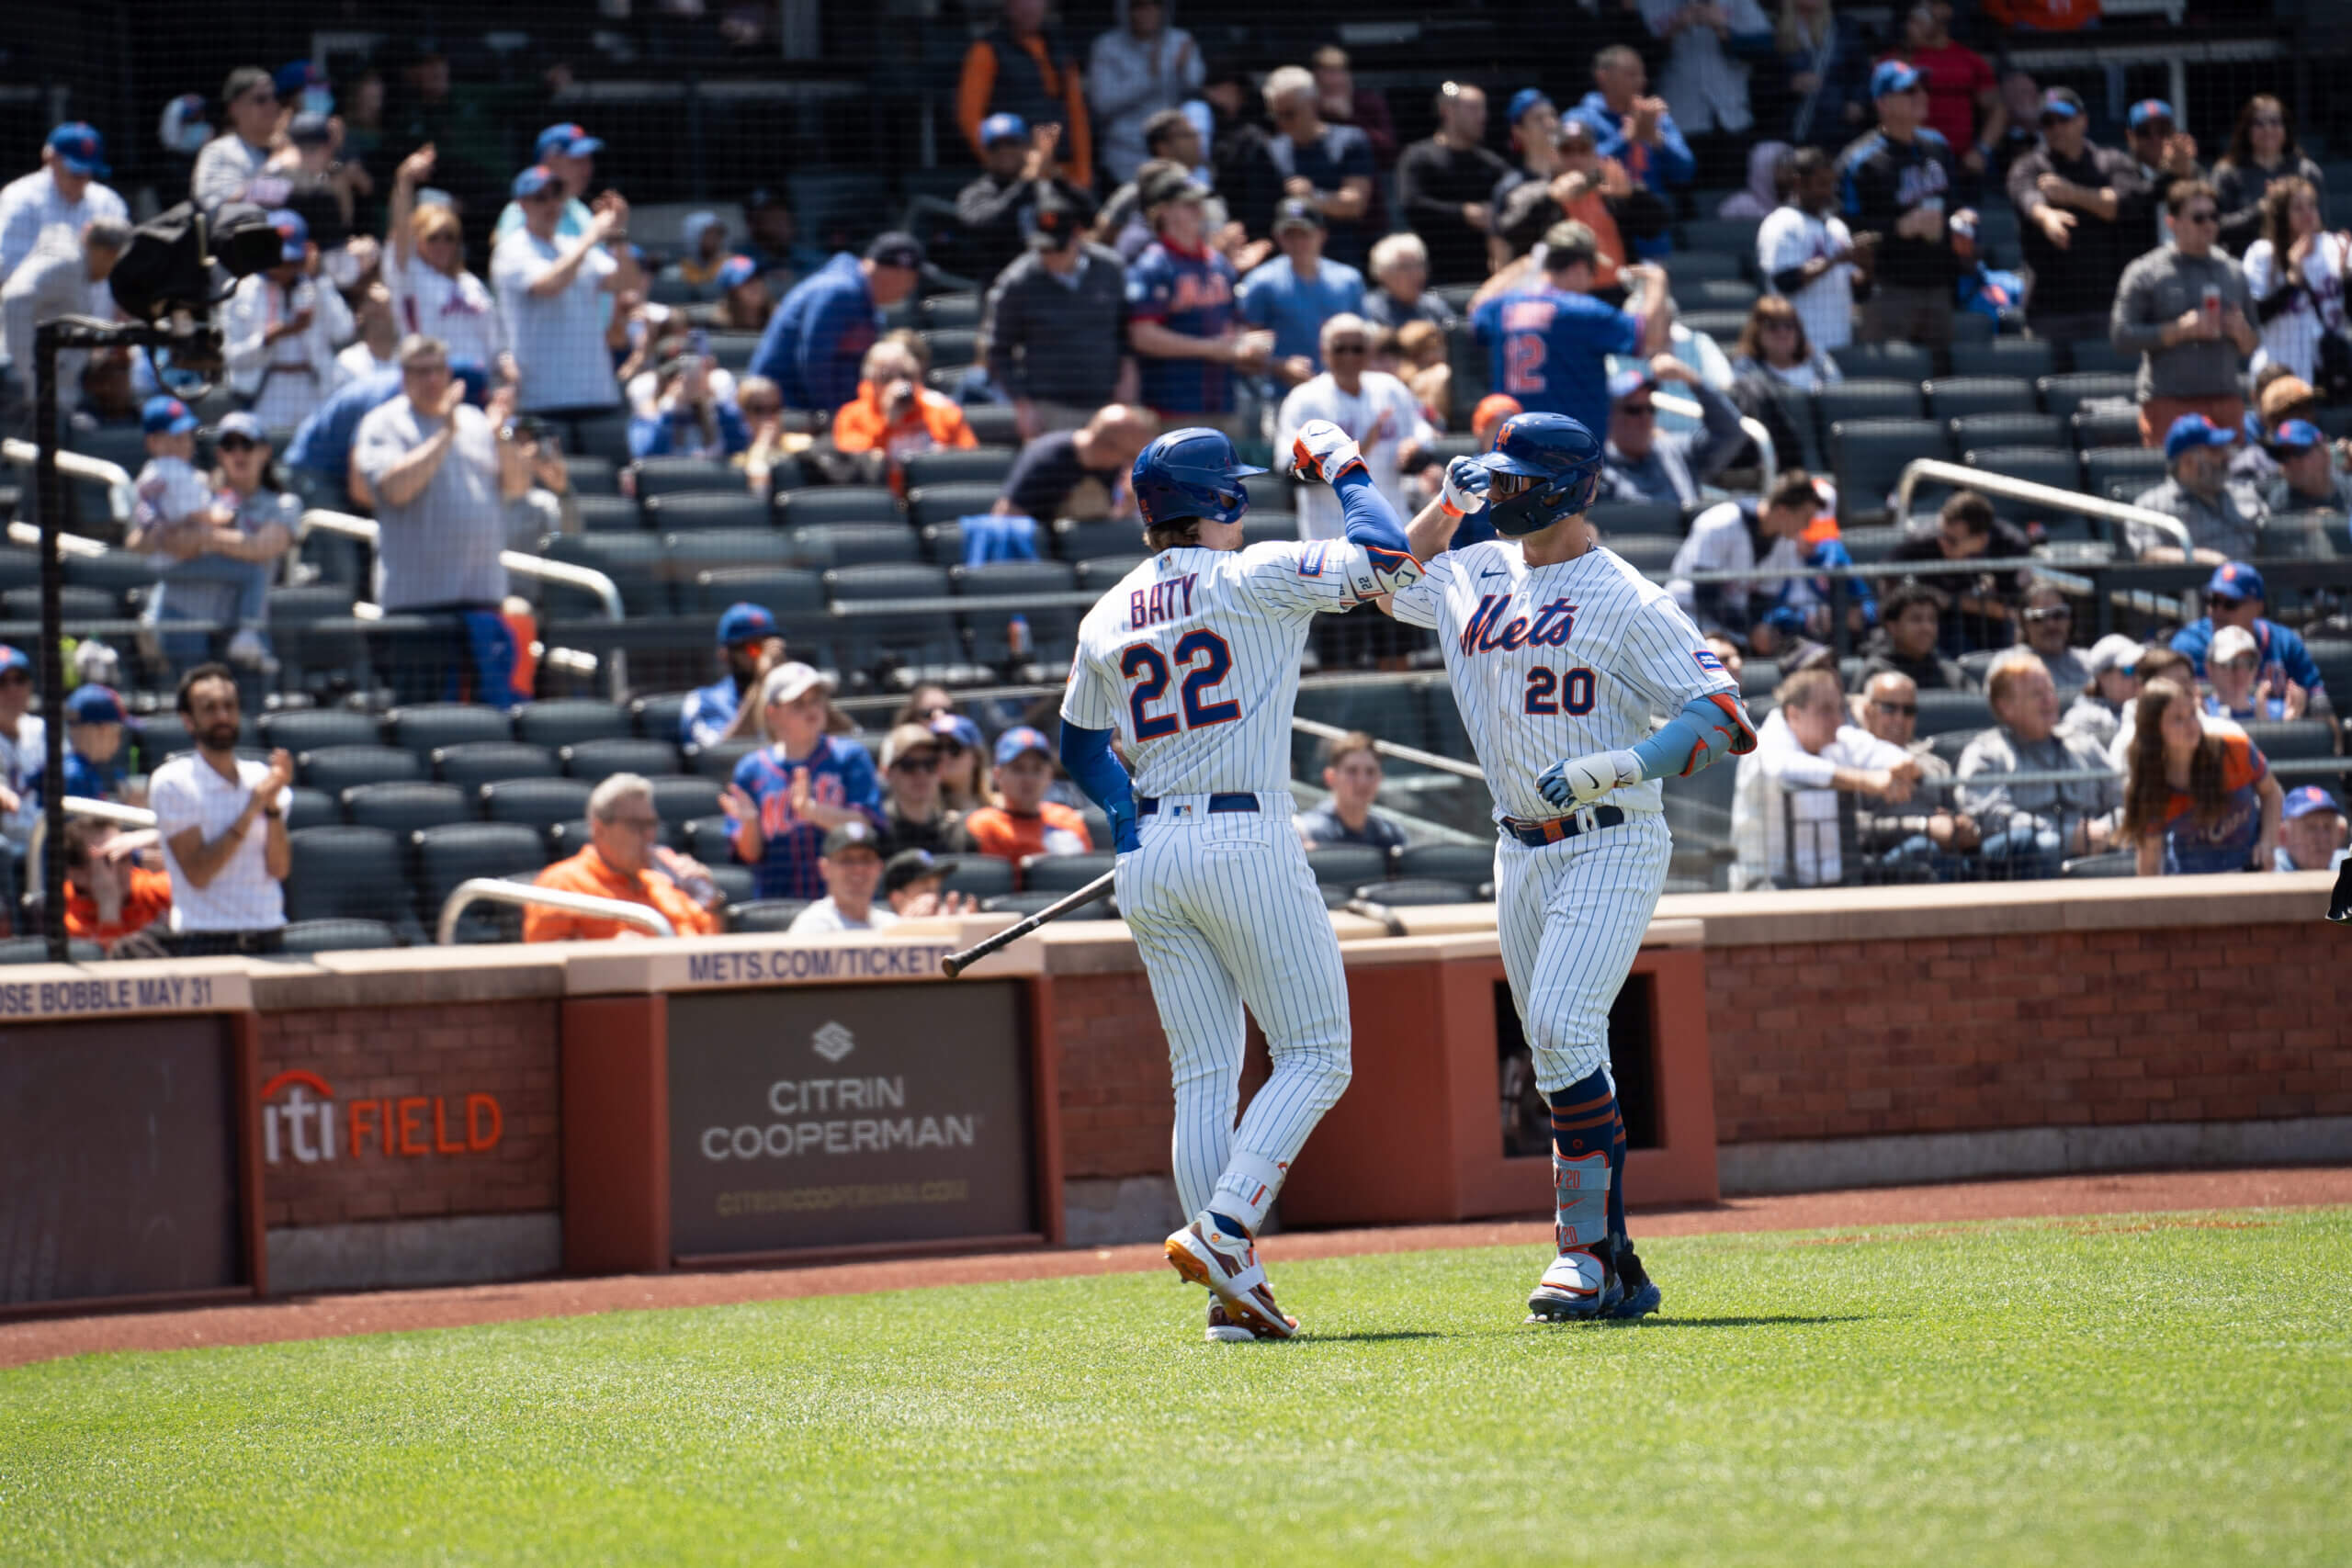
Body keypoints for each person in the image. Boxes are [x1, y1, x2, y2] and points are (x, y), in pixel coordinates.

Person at [1379, 409, 1751, 1321]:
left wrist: (1619, 763)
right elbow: (1379, 584)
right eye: (1494, 477)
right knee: (1559, 1052)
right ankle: (1617, 1260)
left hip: (1612, 833)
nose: (1499, 491)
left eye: (1514, 479)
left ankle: (1578, 1255)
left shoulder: (1626, 595)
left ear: (1570, 486)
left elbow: (1723, 716)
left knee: (1555, 1023)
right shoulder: (1469, 568)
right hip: (1518, 847)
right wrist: (1439, 507)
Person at [1056, 420, 1419, 1340]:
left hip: (1151, 852)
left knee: (1203, 1075)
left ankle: (1233, 1297)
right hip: (1244, 835)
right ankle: (1225, 1228)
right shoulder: (1251, 573)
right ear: (1221, 500)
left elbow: (1079, 746)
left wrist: (1123, 816)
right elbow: (1384, 552)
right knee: (1317, 1053)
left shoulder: (1105, 612)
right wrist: (1344, 467)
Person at [352, 335, 534, 706]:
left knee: (489, 719)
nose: (431, 379)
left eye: (437, 370)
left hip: (483, 601)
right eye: (420, 371)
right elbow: (394, 490)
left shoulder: (476, 422)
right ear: (404, 377)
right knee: (426, 719)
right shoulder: (383, 423)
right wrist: (444, 433)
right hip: (418, 608)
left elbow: (517, 485)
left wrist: (501, 433)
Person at [1470, 221, 1668, 437]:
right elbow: (1650, 339)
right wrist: (1658, 281)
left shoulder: (1503, 307)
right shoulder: (1582, 312)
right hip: (1570, 450)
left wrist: (1526, 263)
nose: (1592, 281)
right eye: (1592, 271)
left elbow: (1476, 307)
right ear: (1579, 267)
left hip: (1513, 447)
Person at [1730, 664, 1921, 888]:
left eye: (1840, 709)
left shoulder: (1835, 739)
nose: (1838, 719)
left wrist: (1902, 768)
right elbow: (1783, 767)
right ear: (1794, 714)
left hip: (1833, 885)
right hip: (1766, 887)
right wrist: (1865, 781)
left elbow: (1892, 756)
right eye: (1826, 710)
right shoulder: (1765, 742)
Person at [148, 663, 293, 954]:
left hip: (269, 935)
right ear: (188, 720)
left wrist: (272, 807)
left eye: (229, 706)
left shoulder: (262, 777)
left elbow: (279, 869)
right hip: (205, 941)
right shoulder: (173, 783)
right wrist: (252, 808)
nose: (223, 716)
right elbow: (199, 873)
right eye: (210, 708)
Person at [2112, 182, 2259, 447]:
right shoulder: (2146, 271)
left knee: (2232, 482)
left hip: (2225, 401)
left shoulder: (2234, 272)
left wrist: (2241, 332)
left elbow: (2253, 343)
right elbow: (2121, 336)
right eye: (2198, 217)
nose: (2208, 224)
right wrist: (2178, 331)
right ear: (2173, 222)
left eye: (2214, 217)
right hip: (2169, 402)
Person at [720, 661, 882, 901]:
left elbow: (864, 826)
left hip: (843, 902)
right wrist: (750, 823)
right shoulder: (751, 769)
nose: (811, 709)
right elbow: (750, 855)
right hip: (778, 900)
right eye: (798, 704)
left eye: (816, 699)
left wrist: (812, 811)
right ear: (772, 714)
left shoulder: (849, 757)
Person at [983, 185, 1132, 439]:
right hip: (1050, 410)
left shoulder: (1110, 269)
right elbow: (997, 350)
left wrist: (1129, 381)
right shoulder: (1018, 281)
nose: (1050, 256)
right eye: (1044, 249)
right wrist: (1023, 404)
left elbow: (1127, 333)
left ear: (1078, 236)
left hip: (1108, 405)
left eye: (1058, 248)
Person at [1956, 649, 2120, 878]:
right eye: (2036, 694)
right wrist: (2067, 837)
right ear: (2005, 706)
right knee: (2035, 843)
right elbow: (1991, 816)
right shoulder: (1986, 753)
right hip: (2024, 858)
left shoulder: (2084, 744)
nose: (2049, 701)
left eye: (2050, 691)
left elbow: (2122, 798)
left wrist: (2104, 832)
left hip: (2096, 840)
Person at [1670, 469, 1871, 652]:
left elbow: (1764, 599)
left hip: (1730, 631)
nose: (1808, 525)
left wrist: (1761, 628)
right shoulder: (1720, 523)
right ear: (1783, 512)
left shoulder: (1784, 543)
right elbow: (1705, 595)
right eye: (1806, 517)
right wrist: (1751, 629)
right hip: (1684, 622)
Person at [1273, 313, 1433, 541]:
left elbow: (1422, 439)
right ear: (1324, 352)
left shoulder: (1390, 389)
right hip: (1330, 534)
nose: (1349, 356)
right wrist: (1349, 456)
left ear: (1369, 351)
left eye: (1357, 349)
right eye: (1340, 349)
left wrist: (1414, 450)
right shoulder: (1304, 399)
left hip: (1394, 525)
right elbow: (1290, 470)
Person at [1125, 176, 1264, 435]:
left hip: (1222, 402)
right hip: (1173, 408)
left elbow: (1234, 324)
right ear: (1163, 210)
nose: (1198, 212)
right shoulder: (1153, 265)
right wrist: (1210, 349)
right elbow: (1142, 336)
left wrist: (1248, 346)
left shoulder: (1218, 264)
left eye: (1199, 204)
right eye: (1188, 205)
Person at [2006, 87, 2143, 347]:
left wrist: (2072, 195)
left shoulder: (2111, 162)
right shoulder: (2029, 166)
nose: (2056, 128)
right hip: (2049, 312)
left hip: (2107, 304)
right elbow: (2026, 198)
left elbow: (2123, 204)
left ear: (2083, 120)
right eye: (2048, 122)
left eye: (2063, 119)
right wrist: (2047, 217)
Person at [1843, 61, 1967, 348]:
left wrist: (1963, 219)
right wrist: (1897, 227)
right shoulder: (1860, 161)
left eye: (1922, 88)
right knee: (1891, 384)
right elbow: (1846, 231)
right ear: (1883, 104)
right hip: (1889, 291)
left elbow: (1955, 202)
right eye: (1909, 91)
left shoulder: (1937, 145)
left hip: (1938, 287)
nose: (1921, 95)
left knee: (1941, 376)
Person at [490, 166, 627, 420]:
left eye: (556, 195)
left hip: (595, 392)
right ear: (521, 204)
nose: (551, 204)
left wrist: (618, 234)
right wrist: (591, 236)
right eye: (540, 197)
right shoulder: (512, 250)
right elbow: (550, 286)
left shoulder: (573, 245)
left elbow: (624, 282)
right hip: (543, 398)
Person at [524, 773, 722, 942]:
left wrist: (710, 901)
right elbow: (543, 963)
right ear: (599, 829)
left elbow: (708, 953)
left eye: (651, 823)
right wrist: (609, 956)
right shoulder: (563, 884)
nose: (648, 835)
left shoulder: (662, 883)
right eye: (636, 825)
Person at [749, 231, 924, 416]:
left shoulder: (861, 295)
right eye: (912, 280)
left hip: (810, 407)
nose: (910, 289)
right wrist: (835, 416)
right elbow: (814, 361)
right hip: (781, 409)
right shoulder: (839, 291)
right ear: (899, 274)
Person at [2121, 678, 2280, 875]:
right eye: (2178, 718)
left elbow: (2273, 794)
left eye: (2192, 714)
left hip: (2250, 874)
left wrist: (2267, 843)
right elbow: (2149, 864)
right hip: (2191, 890)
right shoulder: (2152, 789)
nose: (2191, 724)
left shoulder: (2235, 749)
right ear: (2154, 730)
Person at [385, 145, 511, 383]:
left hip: (476, 384)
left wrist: (508, 369)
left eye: (449, 236)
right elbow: (400, 228)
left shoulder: (471, 284)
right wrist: (404, 180)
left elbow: (496, 344)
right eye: (433, 237)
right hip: (428, 381)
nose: (442, 244)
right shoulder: (409, 273)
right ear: (417, 240)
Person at [221, 209, 355, 433]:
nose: (285, 267)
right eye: (279, 259)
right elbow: (231, 357)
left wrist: (317, 280)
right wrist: (269, 337)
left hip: (313, 388)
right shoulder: (241, 290)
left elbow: (344, 331)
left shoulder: (315, 285)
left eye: (292, 260)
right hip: (266, 390)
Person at [1567, 46, 1696, 258]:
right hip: (1600, 234)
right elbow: (1575, 168)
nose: (1641, 81)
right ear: (1603, 76)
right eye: (1631, 74)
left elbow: (1686, 171)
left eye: (1642, 74)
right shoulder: (1580, 119)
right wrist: (1626, 138)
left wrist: (1656, 139)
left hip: (1652, 232)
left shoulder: (1655, 118)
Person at [956, 0, 1092, 189]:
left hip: (1063, 173)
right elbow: (969, 117)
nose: (1029, 7)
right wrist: (999, 165)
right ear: (1007, 7)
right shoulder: (987, 49)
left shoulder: (1060, 49)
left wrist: (1083, 174)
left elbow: (1077, 116)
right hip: (1014, 177)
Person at [1, 217, 127, 418]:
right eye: (116, 262)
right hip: (24, 392)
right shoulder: (67, 261)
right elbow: (15, 297)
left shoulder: (76, 265)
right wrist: (33, 373)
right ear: (107, 253)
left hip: (42, 394)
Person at [1854, 669, 1981, 868]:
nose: (1899, 718)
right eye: (1889, 708)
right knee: (1921, 848)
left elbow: (1955, 811)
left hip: (1943, 853)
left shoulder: (1935, 763)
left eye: (1908, 711)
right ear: (1868, 711)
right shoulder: (1851, 761)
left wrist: (1962, 826)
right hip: (1881, 863)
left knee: (2020, 842)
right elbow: (1853, 827)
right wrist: (1922, 827)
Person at [1640, 0, 1774, 186]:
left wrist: (1723, 30)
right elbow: (1638, 59)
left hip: (1732, 116)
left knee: (1730, 194)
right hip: (1678, 120)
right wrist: (1673, 29)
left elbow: (1767, 48)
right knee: (1688, 195)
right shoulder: (1653, 4)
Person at [2166, 561, 2325, 716]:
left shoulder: (2285, 643)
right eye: (2213, 601)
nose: (2218, 611)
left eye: (2230, 603)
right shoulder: (2188, 644)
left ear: (2258, 607)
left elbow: (2319, 701)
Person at [1261, 66, 1378, 271]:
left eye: (1289, 114)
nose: (1282, 123)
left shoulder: (1350, 141)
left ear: (1313, 104)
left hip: (1340, 262)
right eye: (1275, 115)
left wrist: (1313, 197)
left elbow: (1355, 204)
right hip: (1290, 271)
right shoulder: (1271, 150)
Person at [1239, 199, 1365, 390]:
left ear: (1322, 235)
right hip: (1281, 394)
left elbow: (1363, 339)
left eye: (1304, 234)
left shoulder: (1348, 280)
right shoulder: (1260, 282)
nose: (1297, 242)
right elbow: (1246, 350)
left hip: (1340, 394)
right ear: (1278, 237)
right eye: (1290, 235)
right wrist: (1278, 365)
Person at [1887, 489, 2034, 651]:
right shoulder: (1925, 540)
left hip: (1992, 627)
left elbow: (2012, 611)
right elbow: (1887, 573)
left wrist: (1955, 601)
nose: (1942, 543)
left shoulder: (2010, 545)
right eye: (1941, 534)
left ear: (1980, 539)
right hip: (1942, 625)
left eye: (1951, 540)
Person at [1396, 81, 1510, 287]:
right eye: (1473, 109)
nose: (1482, 117)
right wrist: (1463, 213)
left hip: (1485, 278)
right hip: (1433, 278)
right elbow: (1412, 204)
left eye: (1484, 109)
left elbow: (1514, 200)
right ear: (1447, 110)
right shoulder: (1419, 156)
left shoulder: (1491, 163)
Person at [829, 339, 975, 493]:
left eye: (905, 375)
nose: (898, 384)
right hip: (882, 503)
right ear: (871, 381)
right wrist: (888, 422)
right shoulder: (851, 417)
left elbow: (970, 460)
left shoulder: (942, 412)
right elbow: (858, 465)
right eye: (886, 378)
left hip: (934, 496)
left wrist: (943, 458)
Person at [1758, 145, 1866, 353]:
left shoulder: (1837, 227)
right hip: (1796, 347)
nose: (1829, 192)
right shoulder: (1780, 223)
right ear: (1798, 183)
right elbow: (1785, 281)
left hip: (1840, 342)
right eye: (1822, 184)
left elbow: (1859, 291)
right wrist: (1836, 259)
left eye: (1832, 184)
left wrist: (1865, 265)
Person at [956, 116, 1087, 288]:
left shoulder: (1047, 185)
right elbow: (986, 225)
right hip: (1004, 292)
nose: (1005, 151)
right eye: (995, 146)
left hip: (1056, 287)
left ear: (1026, 147)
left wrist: (1055, 175)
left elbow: (1090, 215)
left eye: (1012, 143)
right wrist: (1027, 181)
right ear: (985, 152)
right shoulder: (975, 193)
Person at [1887, 1, 2004, 191]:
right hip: (1910, 164)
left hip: (1962, 166)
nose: (1922, 12)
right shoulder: (1897, 60)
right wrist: (1908, 47)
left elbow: (1997, 109)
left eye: (1931, 6)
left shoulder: (1969, 60)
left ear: (1946, 12)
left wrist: (1981, 151)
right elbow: (1883, 99)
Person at [1596, 359, 1746, 508]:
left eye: (1650, 409)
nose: (1645, 418)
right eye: (1634, 410)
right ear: (1609, 417)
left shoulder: (1676, 450)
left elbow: (1731, 433)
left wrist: (1694, 381)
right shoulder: (1599, 470)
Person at [2241, 179, 2346, 388]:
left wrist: (2347, 277)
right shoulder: (2263, 254)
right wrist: (2292, 280)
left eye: (2311, 205)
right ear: (2281, 215)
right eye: (2298, 207)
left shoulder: (2338, 247)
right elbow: (2255, 315)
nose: (2308, 212)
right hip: (2280, 371)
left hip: (2330, 370)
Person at [1087, 0, 1203, 186]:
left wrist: (1183, 69)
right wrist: (1151, 78)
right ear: (1125, 11)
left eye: (1153, 6)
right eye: (1139, 7)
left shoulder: (1180, 40)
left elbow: (1196, 85)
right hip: (1123, 153)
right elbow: (1102, 103)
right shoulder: (1106, 46)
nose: (1146, 14)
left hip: (1171, 151)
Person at [0, 123, 127, 291]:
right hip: (38, 314)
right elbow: (6, 270)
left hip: (98, 316)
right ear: (50, 158)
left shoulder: (109, 202)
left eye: (88, 172)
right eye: (75, 172)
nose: (83, 179)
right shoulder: (21, 198)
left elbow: (125, 266)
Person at [2127, 414, 2267, 564]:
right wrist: (2201, 559)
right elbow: (2147, 554)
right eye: (2215, 450)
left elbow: (2272, 533)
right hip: (2194, 585)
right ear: (2188, 461)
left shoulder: (2244, 493)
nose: (2227, 456)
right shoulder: (2151, 505)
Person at [996, 403, 1156, 524]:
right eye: (1129, 454)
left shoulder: (1111, 467)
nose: (1130, 463)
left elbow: (1106, 526)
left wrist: (1127, 506)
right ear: (1107, 448)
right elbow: (1007, 517)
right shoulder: (1048, 459)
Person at [2213, 96, 2326, 260]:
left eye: (2275, 122)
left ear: (2286, 127)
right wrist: (2259, 210)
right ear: (2246, 129)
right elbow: (2215, 226)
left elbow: (2320, 226)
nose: (2268, 129)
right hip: (2243, 266)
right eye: (2259, 123)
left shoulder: (2307, 172)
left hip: (2302, 263)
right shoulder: (2226, 173)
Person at [961, 726, 1092, 863]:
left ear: (1049, 775)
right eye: (1018, 768)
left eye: (1037, 769)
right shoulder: (983, 826)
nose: (1029, 778)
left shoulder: (1068, 819)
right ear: (998, 775)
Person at [59, 816, 174, 955]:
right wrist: (108, 904)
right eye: (110, 858)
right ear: (76, 874)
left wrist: (158, 837)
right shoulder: (65, 913)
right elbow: (110, 970)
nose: (126, 868)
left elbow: (203, 889)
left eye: (125, 855)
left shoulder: (146, 887)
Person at [1771, 0, 1871, 150]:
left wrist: (1856, 100)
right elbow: (1763, 81)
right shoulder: (1776, 30)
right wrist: (1790, 83)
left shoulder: (1843, 27)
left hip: (1837, 126)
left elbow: (1862, 71)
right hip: (1795, 127)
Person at [682, 602, 783, 749]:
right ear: (725, 654)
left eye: (770, 644)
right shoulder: (704, 701)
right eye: (754, 648)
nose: (766, 654)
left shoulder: (793, 696)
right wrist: (762, 680)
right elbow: (720, 755)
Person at [1294, 730, 1408, 853]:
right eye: (1352, 771)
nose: (1362, 781)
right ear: (1330, 777)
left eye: (1370, 771)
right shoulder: (1306, 833)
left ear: (1380, 778)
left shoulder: (1391, 835)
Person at [493, 124, 606, 243]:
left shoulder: (579, 211)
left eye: (589, 160)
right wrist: (591, 237)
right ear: (550, 162)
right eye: (578, 161)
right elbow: (512, 259)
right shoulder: (523, 210)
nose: (588, 169)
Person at [629, 351, 750, 462]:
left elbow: (739, 446)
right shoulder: (648, 416)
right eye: (677, 379)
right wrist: (670, 409)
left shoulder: (718, 411)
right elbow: (647, 455)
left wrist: (715, 399)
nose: (687, 384)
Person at [2119, 99, 2205, 252]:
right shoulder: (2121, 168)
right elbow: (2137, 200)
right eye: (2144, 131)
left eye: (2163, 131)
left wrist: (2187, 171)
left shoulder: (2191, 170)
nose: (2155, 139)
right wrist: (2172, 174)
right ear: (2130, 136)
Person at [191, 67, 279, 216]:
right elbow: (212, 206)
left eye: (274, 97)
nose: (272, 105)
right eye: (261, 100)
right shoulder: (219, 151)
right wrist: (277, 165)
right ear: (235, 108)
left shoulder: (293, 147)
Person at [785, 820, 895, 933]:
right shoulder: (812, 926)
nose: (858, 869)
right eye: (846, 860)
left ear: (879, 868)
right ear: (825, 868)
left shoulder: (892, 925)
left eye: (866, 860)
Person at [1860, 580, 1968, 690]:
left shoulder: (1950, 674)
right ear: (1892, 627)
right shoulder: (1875, 673)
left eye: (1932, 619)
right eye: (1916, 619)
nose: (1927, 627)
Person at [876, 722, 963, 856]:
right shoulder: (876, 833)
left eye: (930, 764)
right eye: (908, 765)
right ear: (886, 773)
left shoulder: (955, 833)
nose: (921, 773)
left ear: (939, 770)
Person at [1310, 45, 1398, 169]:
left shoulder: (1369, 102)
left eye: (1340, 71)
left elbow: (1388, 151)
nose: (1335, 80)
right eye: (1329, 73)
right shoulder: (1308, 107)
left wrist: (1349, 117)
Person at [2060, 633, 2143, 752]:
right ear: (2102, 677)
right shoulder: (2081, 719)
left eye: (2140, 668)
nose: (2137, 677)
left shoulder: (2141, 709)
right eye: (2129, 670)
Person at [1361, 233, 1456, 333]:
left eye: (1419, 265)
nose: (1416, 273)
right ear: (1382, 273)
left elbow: (1453, 336)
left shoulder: (1435, 305)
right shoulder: (1369, 310)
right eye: (1405, 267)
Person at [2262, 421, 2352, 516]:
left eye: (2298, 451)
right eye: (2281, 455)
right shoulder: (2279, 499)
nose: (2290, 461)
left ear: (2324, 453)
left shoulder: (2349, 489)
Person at [2018, 581, 2086, 695]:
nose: (2050, 625)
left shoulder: (2089, 663)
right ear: (2025, 624)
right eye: (2039, 617)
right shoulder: (2010, 665)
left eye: (2058, 615)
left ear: (2070, 620)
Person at [884, 847, 977, 919]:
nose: (935, 898)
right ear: (897, 899)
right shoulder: (877, 928)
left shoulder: (947, 918)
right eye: (926, 891)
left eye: (937, 890)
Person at [2275, 785, 2348, 873]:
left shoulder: (2344, 863)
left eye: (2328, 827)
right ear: (2283, 835)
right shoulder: (2269, 866)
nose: (2322, 837)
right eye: (2311, 827)